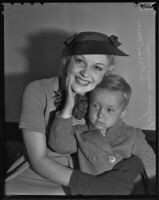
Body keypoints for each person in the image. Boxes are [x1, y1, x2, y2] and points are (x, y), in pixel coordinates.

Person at [5, 31, 142, 195]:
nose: (85, 73)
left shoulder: (103, 94)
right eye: (79, 61)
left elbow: (120, 139)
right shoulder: (37, 90)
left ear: (106, 72)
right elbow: (38, 160)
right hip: (41, 173)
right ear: (66, 61)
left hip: (92, 171)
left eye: (97, 67)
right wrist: (91, 184)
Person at [49, 74, 156, 180]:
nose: (100, 114)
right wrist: (68, 108)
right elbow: (60, 146)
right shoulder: (80, 132)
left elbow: (150, 164)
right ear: (88, 104)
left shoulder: (133, 135)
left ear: (122, 113)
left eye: (109, 110)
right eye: (95, 106)